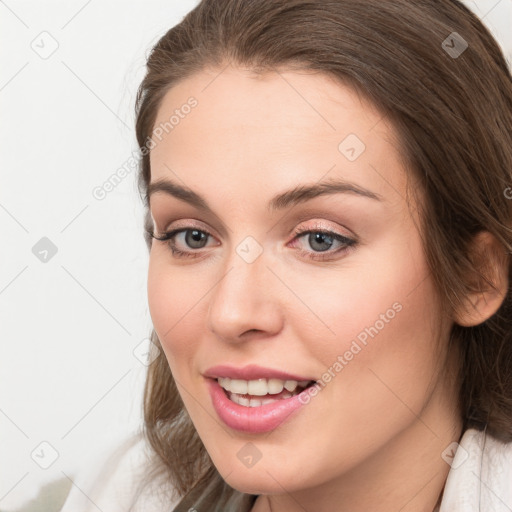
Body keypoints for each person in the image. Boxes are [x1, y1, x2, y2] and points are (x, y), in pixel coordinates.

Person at [61, 0, 512, 511]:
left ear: (477, 277)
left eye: (321, 239)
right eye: (191, 236)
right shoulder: (111, 493)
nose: (231, 313)